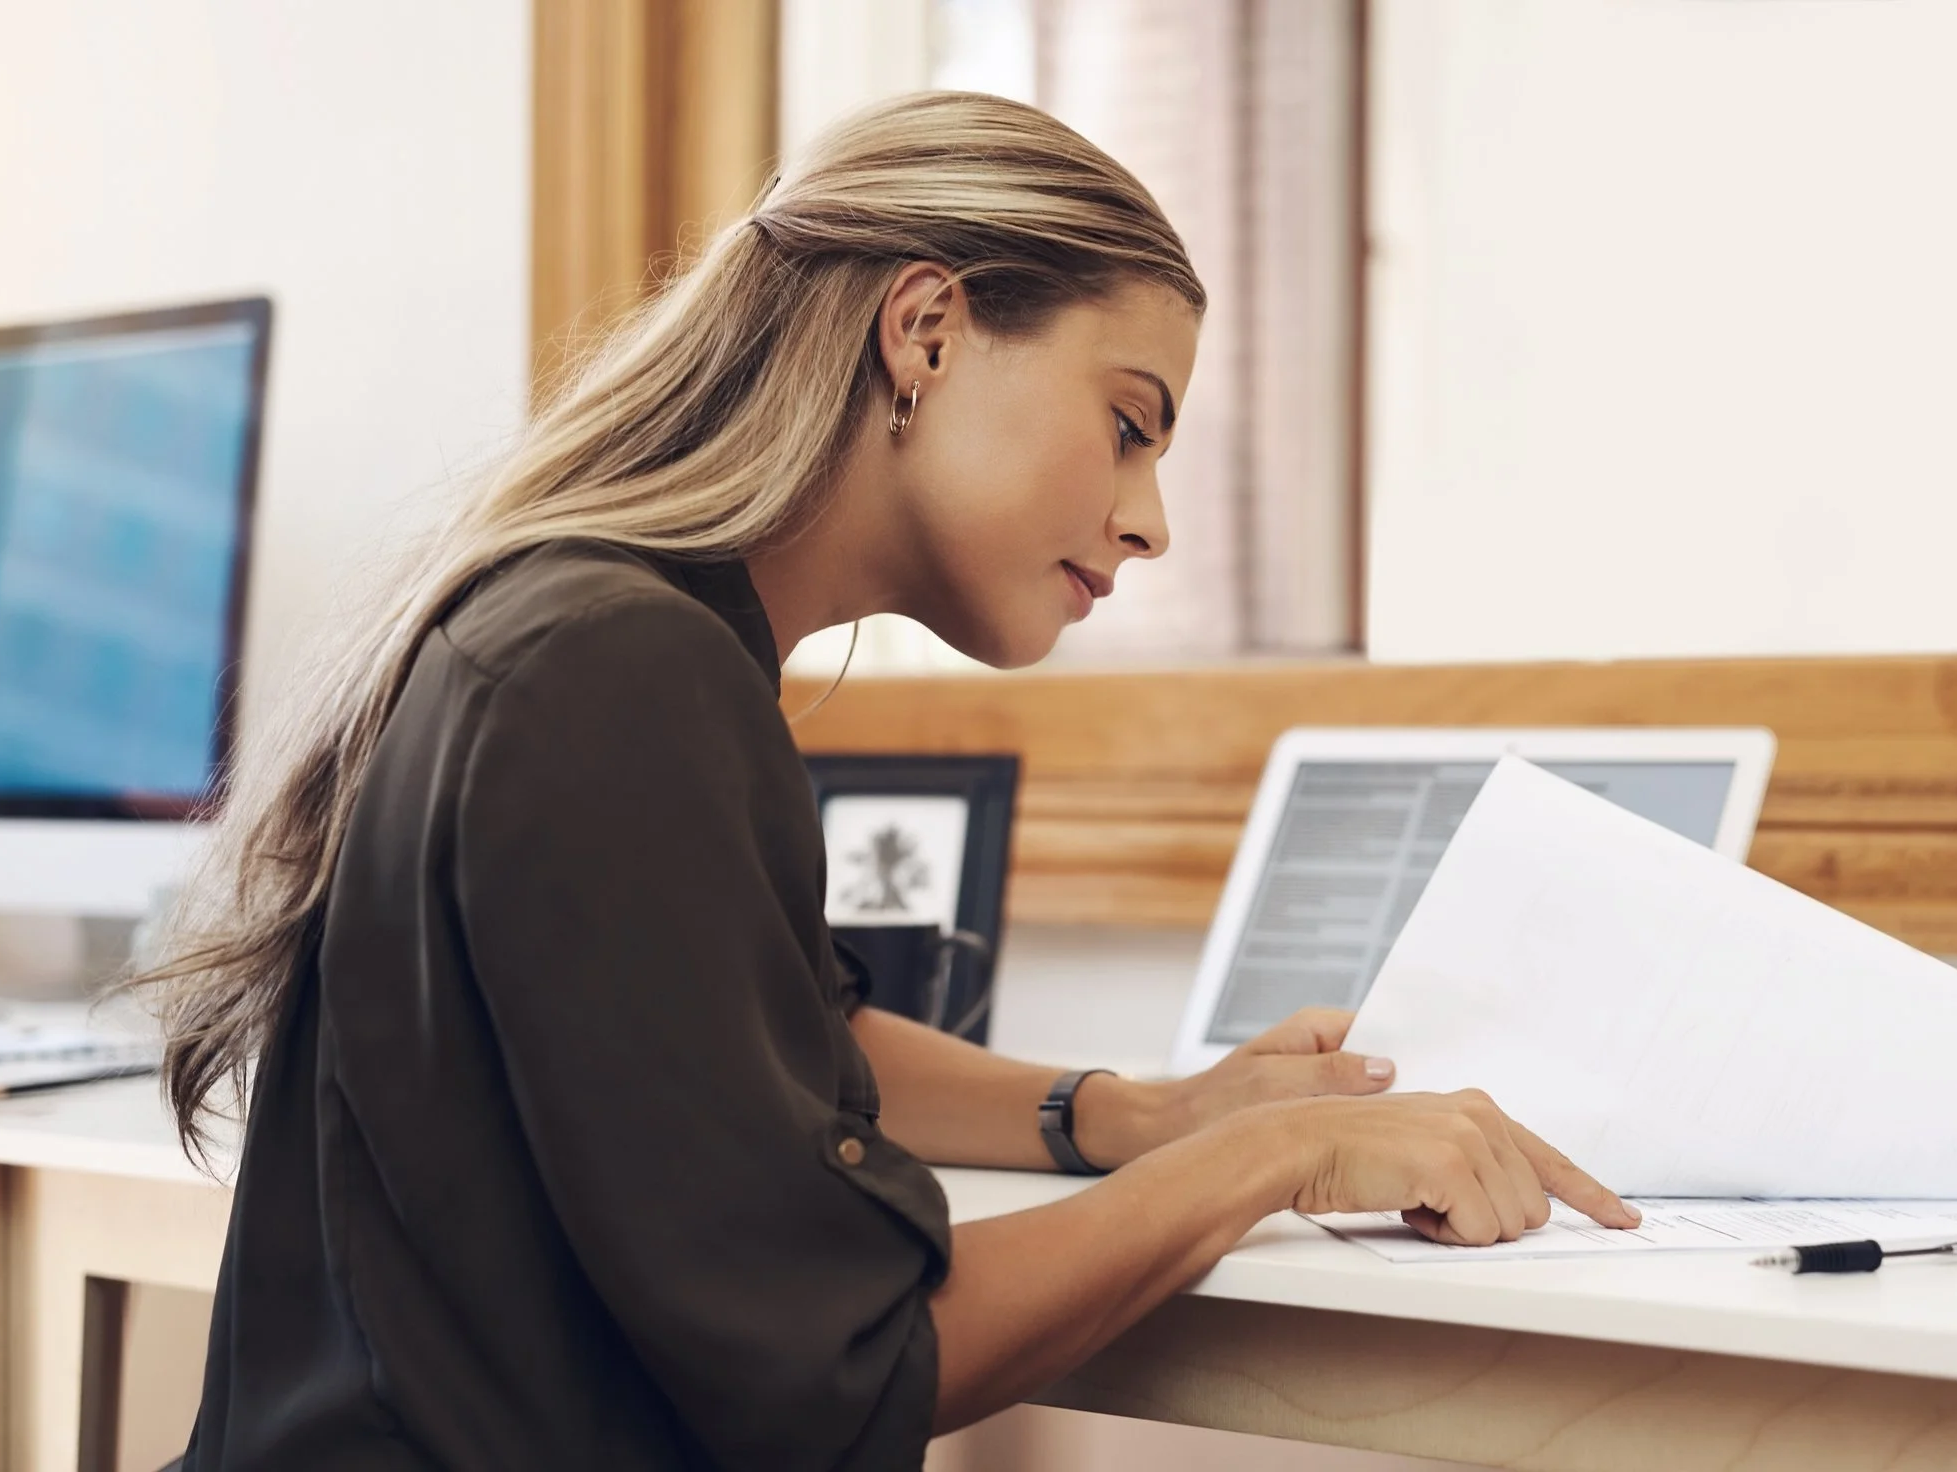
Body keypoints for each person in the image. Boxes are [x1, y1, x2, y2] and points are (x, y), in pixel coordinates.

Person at [135, 91, 1634, 1470]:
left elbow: (758, 1046)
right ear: (924, 329)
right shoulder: (620, 679)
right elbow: (848, 1372)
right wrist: (1279, 1151)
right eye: (1128, 424)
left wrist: (1141, 1114)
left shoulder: (592, 629)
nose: (1151, 520)